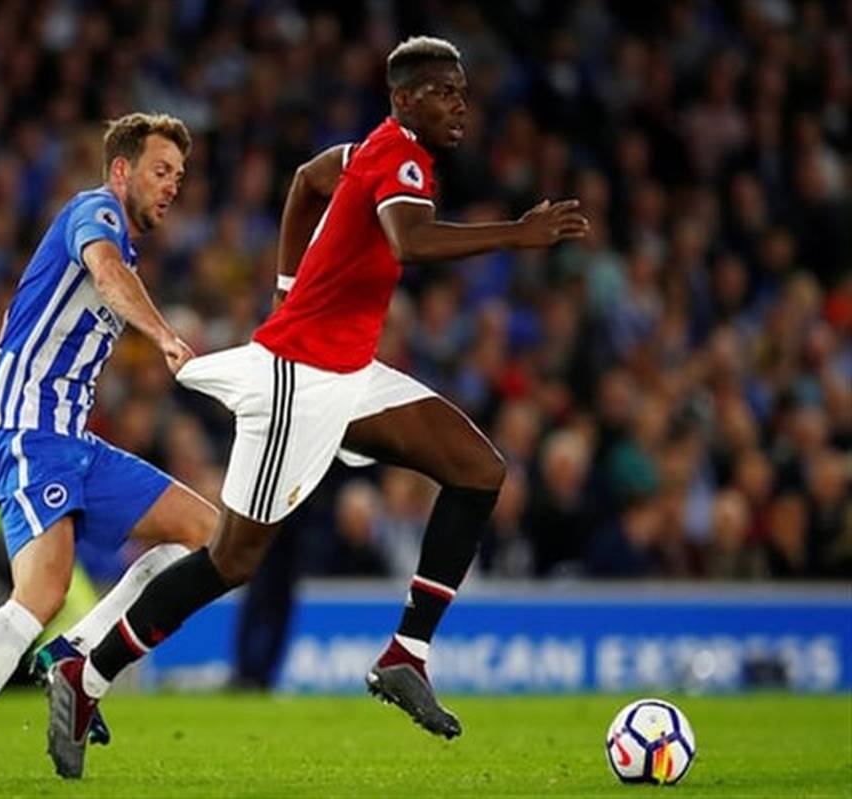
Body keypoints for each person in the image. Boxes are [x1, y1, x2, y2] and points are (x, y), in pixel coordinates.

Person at [46, 37, 588, 779]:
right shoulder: (399, 158)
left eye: (462, 92)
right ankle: (87, 672)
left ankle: (406, 654)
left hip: (350, 371)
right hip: (299, 380)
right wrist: (517, 234)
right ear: (404, 100)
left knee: (479, 469)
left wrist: (284, 285)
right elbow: (410, 239)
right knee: (231, 560)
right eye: (443, 92)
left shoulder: (371, 151)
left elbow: (306, 181)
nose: (460, 105)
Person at [0, 113, 218, 780]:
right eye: (161, 171)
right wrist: (164, 335)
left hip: (73, 440)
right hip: (29, 432)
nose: (173, 185)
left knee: (208, 535)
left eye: (180, 176)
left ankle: (73, 652)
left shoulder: (122, 245)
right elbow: (105, 275)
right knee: (42, 590)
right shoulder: (92, 213)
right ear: (121, 170)